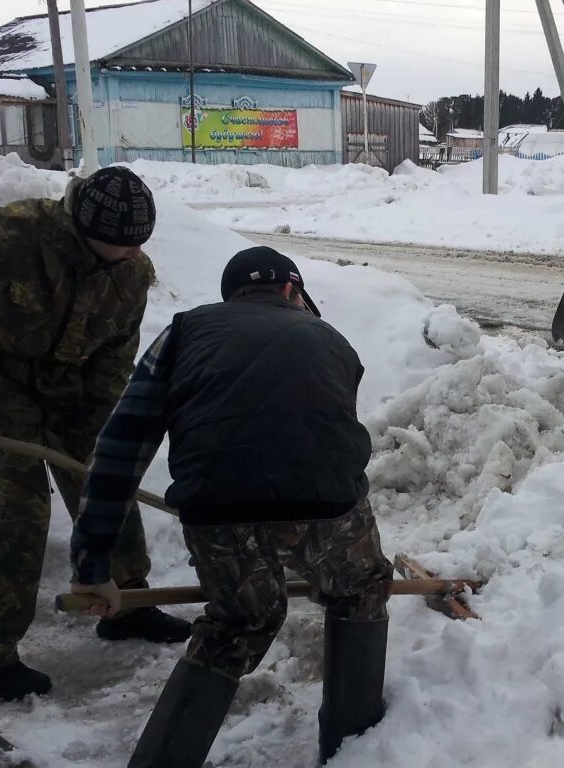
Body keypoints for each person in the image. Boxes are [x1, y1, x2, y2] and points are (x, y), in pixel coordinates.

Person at [69, 246, 394, 767]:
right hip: (329, 507)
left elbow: (120, 448)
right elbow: (328, 441)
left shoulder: (182, 333)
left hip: (217, 512)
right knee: (359, 589)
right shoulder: (331, 337)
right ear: (292, 291)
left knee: (239, 623)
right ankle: (353, 749)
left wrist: (93, 565)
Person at [0, 166, 190, 702]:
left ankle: (125, 606)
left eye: (137, 245)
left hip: (75, 388)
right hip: (0, 383)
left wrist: (105, 432)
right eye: (118, 245)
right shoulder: (14, 233)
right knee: (23, 512)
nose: (130, 255)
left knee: (109, 484)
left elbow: (114, 355)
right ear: (82, 226)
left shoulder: (131, 273)